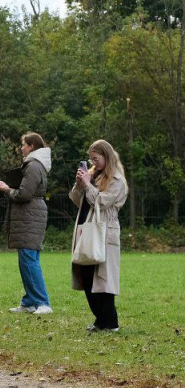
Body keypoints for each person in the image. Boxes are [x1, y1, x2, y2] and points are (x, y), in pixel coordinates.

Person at [70, 139, 127, 332]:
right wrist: (79, 184)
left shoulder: (117, 180)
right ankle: (100, 320)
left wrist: (88, 185)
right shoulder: (93, 174)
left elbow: (101, 202)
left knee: (102, 277)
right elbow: (77, 200)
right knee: (85, 274)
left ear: (106, 156)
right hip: (86, 228)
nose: (93, 163)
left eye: (96, 158)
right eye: (91, 159)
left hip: (104, 230)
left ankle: (110, 322)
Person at [0, 132, 53, 315]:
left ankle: (43, 303)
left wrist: (7, 189)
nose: (21, 148)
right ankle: (29, 302)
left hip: (29, 214)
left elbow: (24, 194)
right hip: (30, 214)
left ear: (32, 146)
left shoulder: (33, 165)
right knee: (27, 259)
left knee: (29, 259)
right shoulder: (36, 164)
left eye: (23, 145)